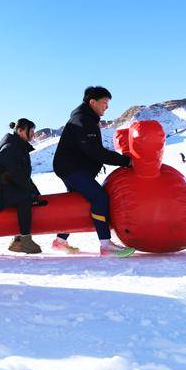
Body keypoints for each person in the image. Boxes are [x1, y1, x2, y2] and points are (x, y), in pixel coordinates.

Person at [52, 86, 135, 257]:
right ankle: (106, 246)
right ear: (92, 102)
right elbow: (94, 151)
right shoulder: (82, 120)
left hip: (71, 166)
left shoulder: (86, 118)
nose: (107, 107)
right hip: (71, 168)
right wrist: (126, 161)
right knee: (99, 197)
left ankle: (60, 241)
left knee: (78, 202)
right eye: (104, 103)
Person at [0, 119, 46, 254]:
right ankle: (24, 239)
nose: (33, 134)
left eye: (33, 131)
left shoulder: (19, 147)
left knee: (28, 196)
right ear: (20, 131)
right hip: (1, 189)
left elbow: (23, 176)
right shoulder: (11, 148)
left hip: (9, 186)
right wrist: (31, 193)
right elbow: (15, 174)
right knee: (25, 199)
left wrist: (35, 192)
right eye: (30, 131)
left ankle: (17, 241)